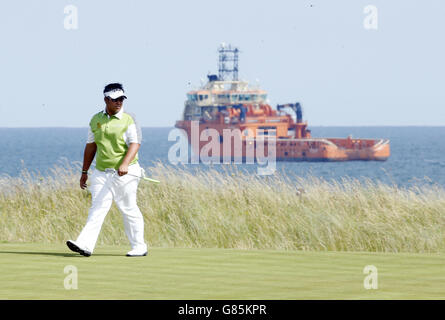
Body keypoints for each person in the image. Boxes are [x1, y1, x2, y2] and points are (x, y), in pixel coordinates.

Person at [66, 83, 147, 257]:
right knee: (97, 208)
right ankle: (85, 245)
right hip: (102, 172)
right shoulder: (96, 119)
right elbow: (91, 146)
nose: (119, 102)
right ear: (106, 99)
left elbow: (135, 143)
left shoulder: (128, 118)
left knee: (128, 207)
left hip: (127, 172)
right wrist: (84, 172)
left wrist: (125, 164)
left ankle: (139, 246)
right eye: (115, 99)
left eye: (121, 99)